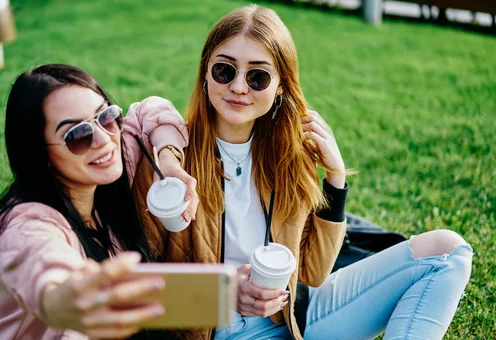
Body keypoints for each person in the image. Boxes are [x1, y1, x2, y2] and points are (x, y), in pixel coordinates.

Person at [152, 5, 473, 340]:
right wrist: (222, 294)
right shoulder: (170, 162)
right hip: (215, 330)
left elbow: (313, 272)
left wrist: (335, 178)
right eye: (224, 71)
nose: (238, 87)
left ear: (280, 86)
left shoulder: (289, 158)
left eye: (257, 76)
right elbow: (143, 293)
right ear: (205, 73)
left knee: (447, 251)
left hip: (293, 317)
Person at [0, 64, 197, 340]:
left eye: (106, 116)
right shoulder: (22, 225)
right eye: (78, 135)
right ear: (38, 153)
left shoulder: (107, 172)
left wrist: (168, 160)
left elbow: (148, 110)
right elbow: (46, 273)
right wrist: (65, 299)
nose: (104, 139)